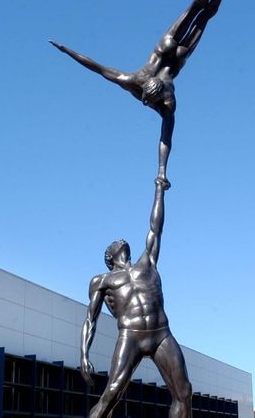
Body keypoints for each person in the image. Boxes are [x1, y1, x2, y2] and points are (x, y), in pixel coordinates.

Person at [49, 0, 240, 190]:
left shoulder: (141, 85)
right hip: (177, 53)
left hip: (169, 49)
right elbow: (165, 137)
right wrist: (161, 171)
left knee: (196, 13)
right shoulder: (159, 97)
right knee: (200, 15)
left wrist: (66, 50)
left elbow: (97, 67)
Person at [80, 174, 190, 418]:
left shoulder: (147, 262)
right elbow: (91, 319)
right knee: (113, 392)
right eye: (114, 243)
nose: (119, 240)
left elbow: (156, 227)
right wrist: (84, 355)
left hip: (161, 333)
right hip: (131, 335)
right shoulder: (102, 280)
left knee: (184, 392)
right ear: (109, 257)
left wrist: (159, 190)